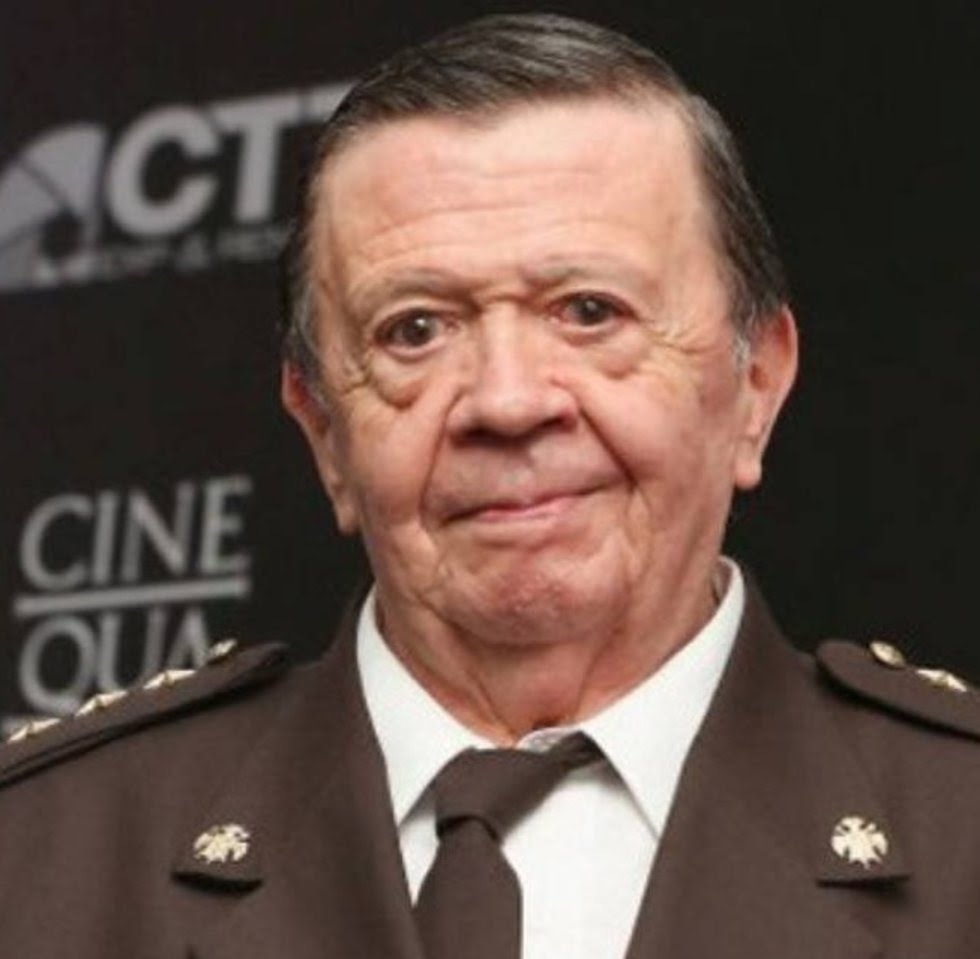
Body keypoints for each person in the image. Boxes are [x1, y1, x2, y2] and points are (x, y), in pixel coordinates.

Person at [1, 13, 978, 958]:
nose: (507, 401)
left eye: (588, 311)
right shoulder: (41, 854)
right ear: (323, 430)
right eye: (415, 330)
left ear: (755, 384)